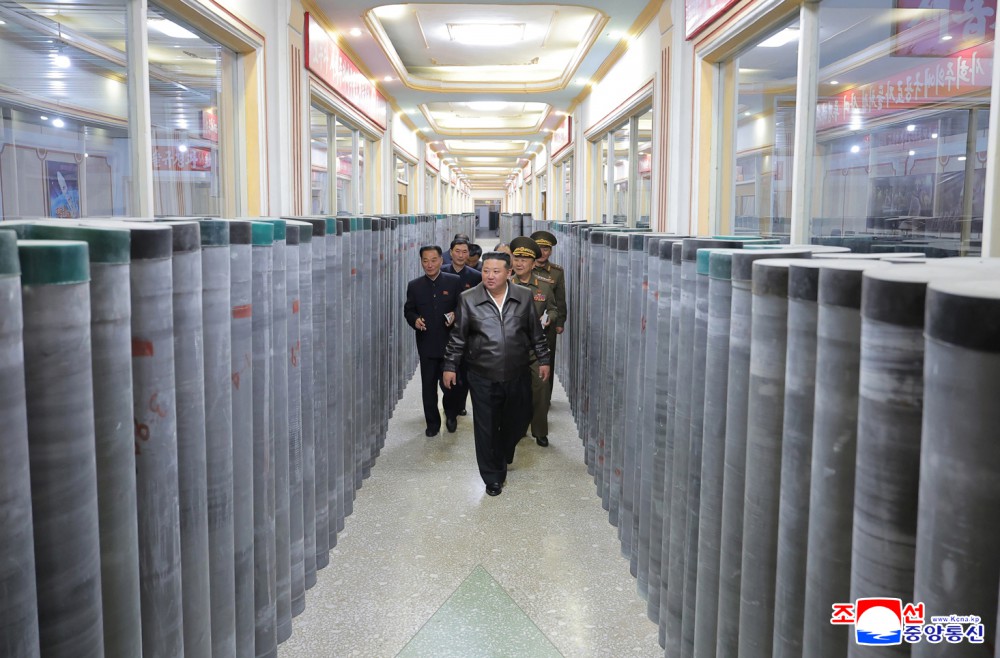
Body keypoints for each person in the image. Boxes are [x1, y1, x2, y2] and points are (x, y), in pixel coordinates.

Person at [443, 251, 551, 496]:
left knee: (519, 419)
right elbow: (458, 337)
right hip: (482, 374)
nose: (489, 276)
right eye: (486, 271)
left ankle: (503, 450)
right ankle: (492, 476)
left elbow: (535, 331)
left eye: (496, 271)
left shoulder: (523, 296)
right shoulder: (468, 299)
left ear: (508, 273)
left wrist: (543, 359)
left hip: (517, 372)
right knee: (486, 427)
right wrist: (450, 366)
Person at [403, 245, 463, 436]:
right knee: (428, 388)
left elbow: (462, 306)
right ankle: (432, 423)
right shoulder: (415, 286)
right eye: (425, 261)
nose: (429, 265)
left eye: (433, 260)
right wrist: (415, 320)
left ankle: (451, 415)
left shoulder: (454, 281)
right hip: (427, 344)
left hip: (449, 345)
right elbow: (409, 310)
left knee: (450, 386)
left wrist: (455, 314)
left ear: (441, 260)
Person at [510, 237, 559, 447]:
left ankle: (539, 431)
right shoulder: (506, 285)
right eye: (516, 259)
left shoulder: (544, 287)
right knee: (515, 392)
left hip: (536, 348)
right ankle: (517, 428)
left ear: (532, 264)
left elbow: (553, 309)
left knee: (540, 390)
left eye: (524, 260)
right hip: (512, 349)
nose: (519, 263)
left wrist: (549, 318)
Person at [529, 230, 566, 445]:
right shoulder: (521, 269)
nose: (543, 252)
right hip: (522, 330)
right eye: (539, 248)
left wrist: (559, 321)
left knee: (546, 364)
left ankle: (544, 401)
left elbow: (559, 300)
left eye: (546, 249)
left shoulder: (556, 273)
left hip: (546, 328)